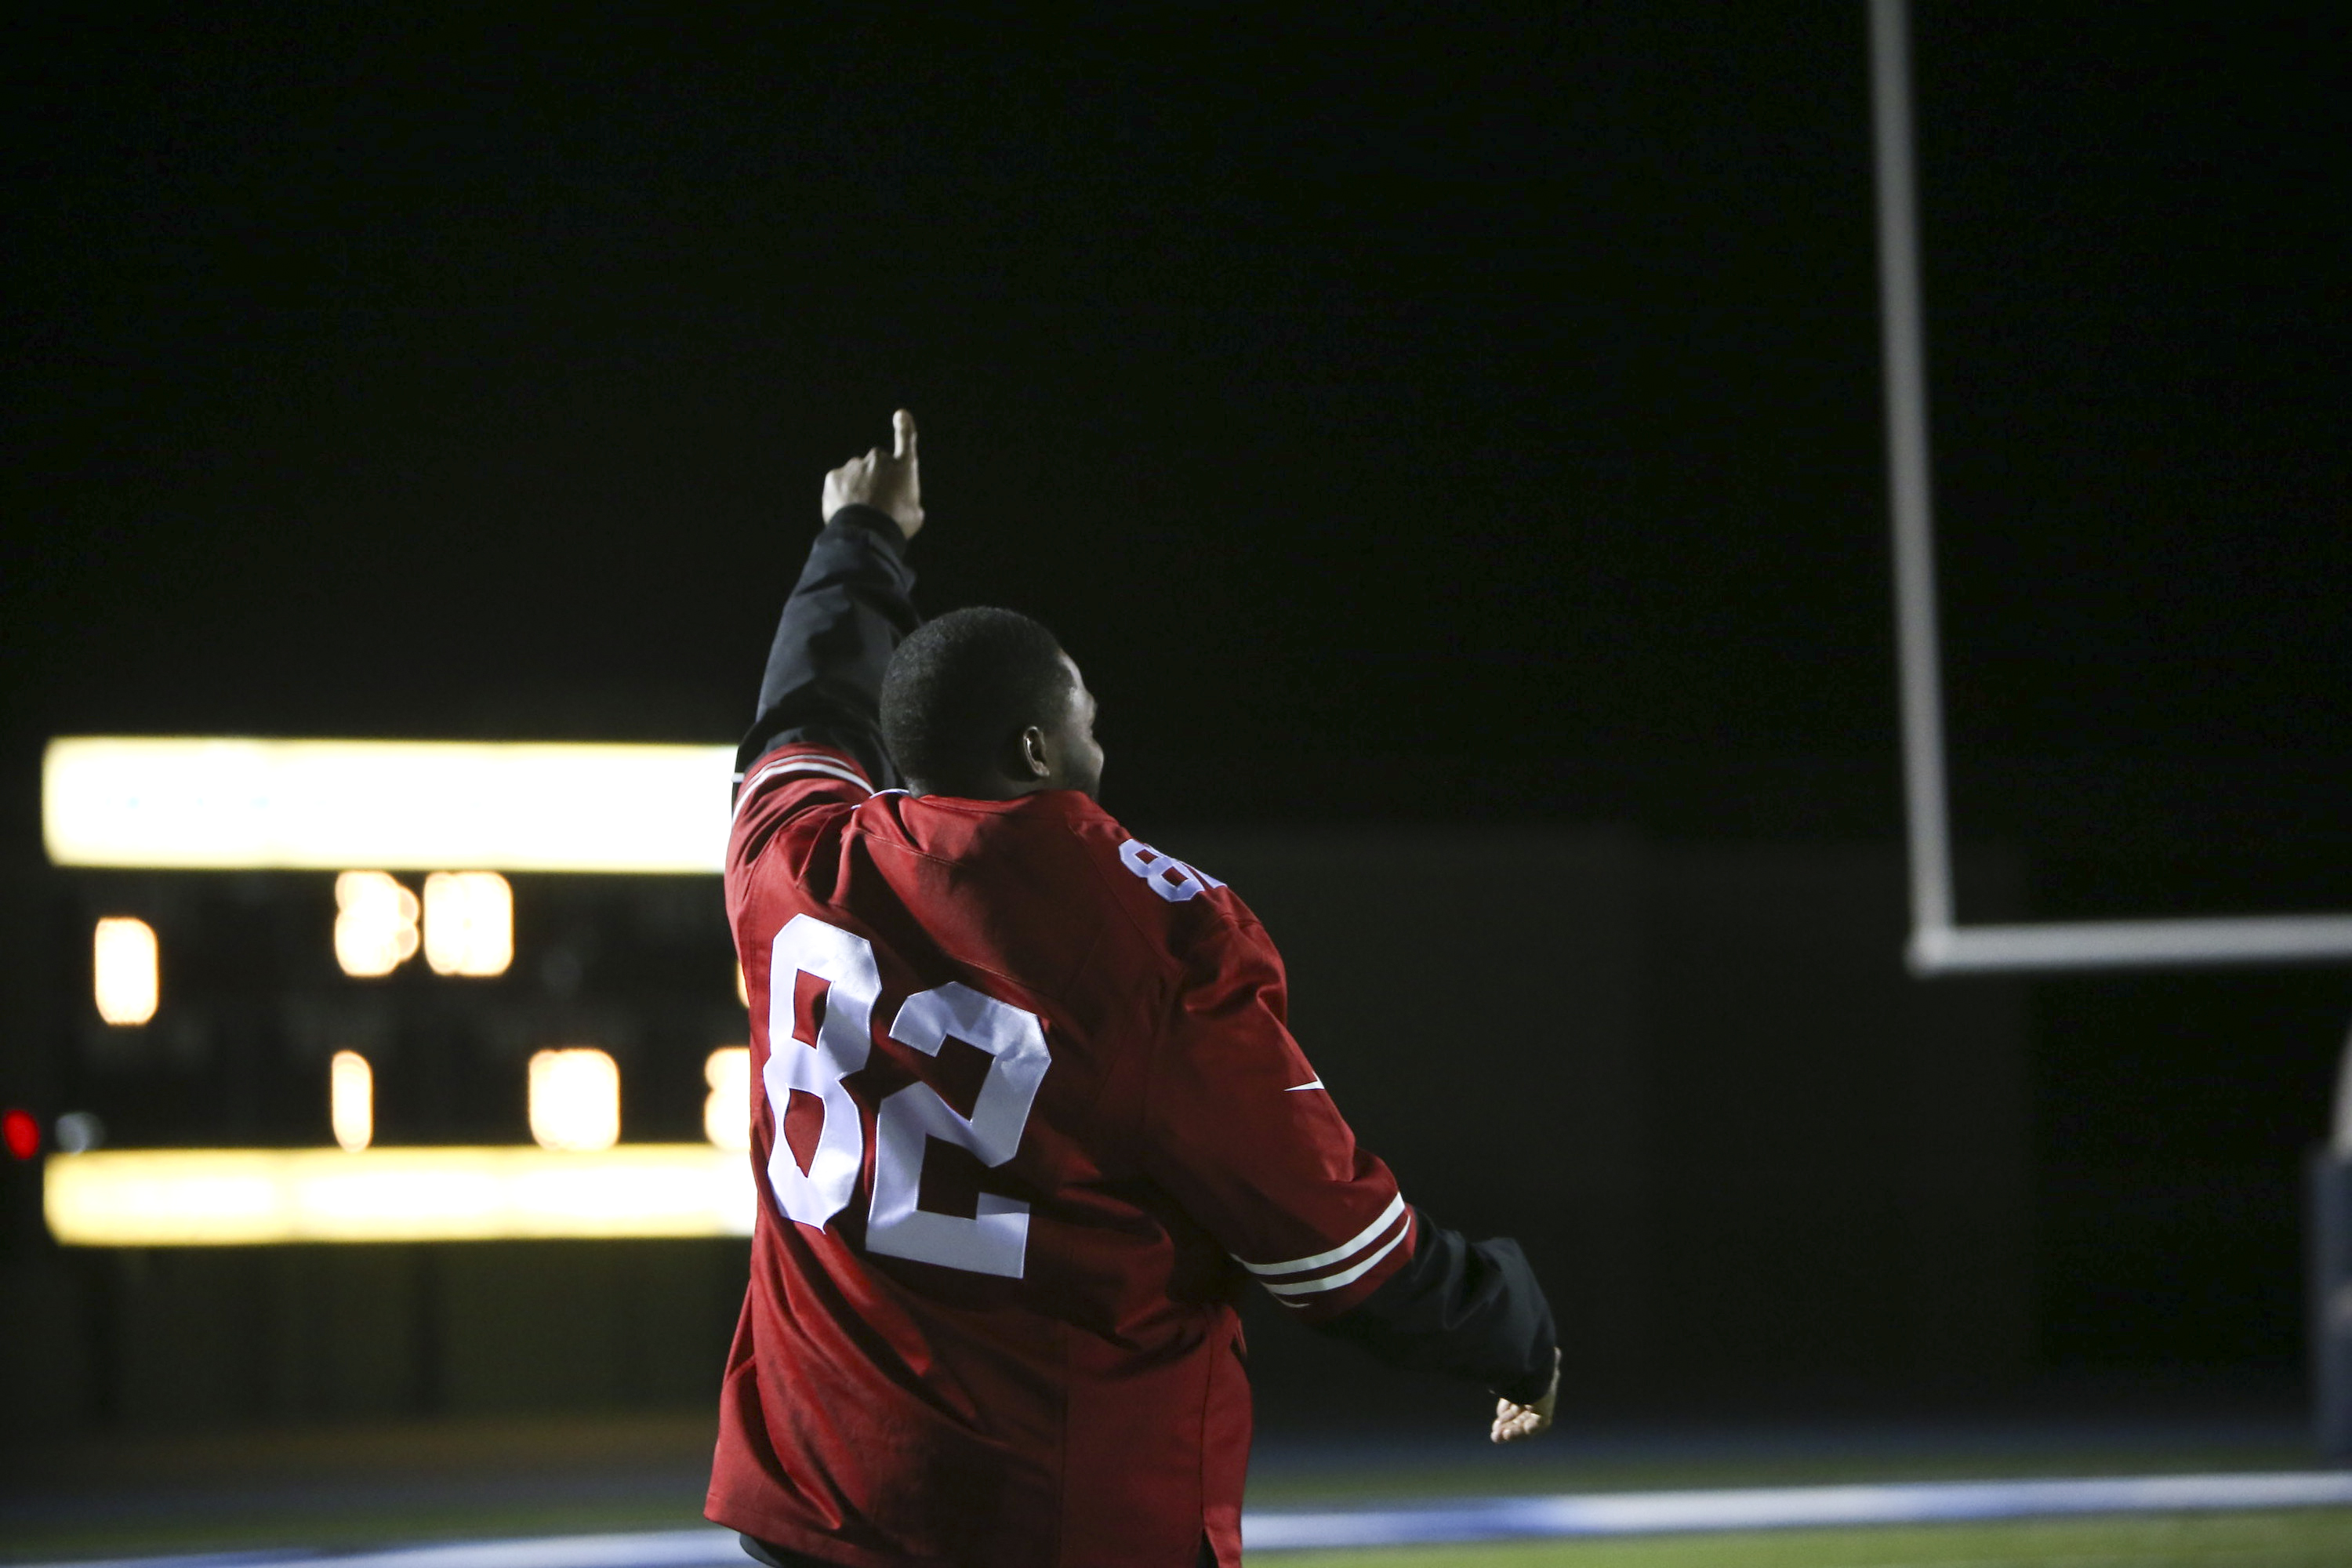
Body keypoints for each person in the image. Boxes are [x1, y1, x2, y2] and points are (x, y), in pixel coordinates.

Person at [706, 411, 1559, 1568]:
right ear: (1035, 751)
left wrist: (859, 537)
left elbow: (803, 707)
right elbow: (1333, 1247)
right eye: (1085, 726)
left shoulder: (790, 863)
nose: (1102, 750)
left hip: (815, 1500)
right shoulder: (1157, 933)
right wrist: (1507, 1322)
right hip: (1053, 1515)